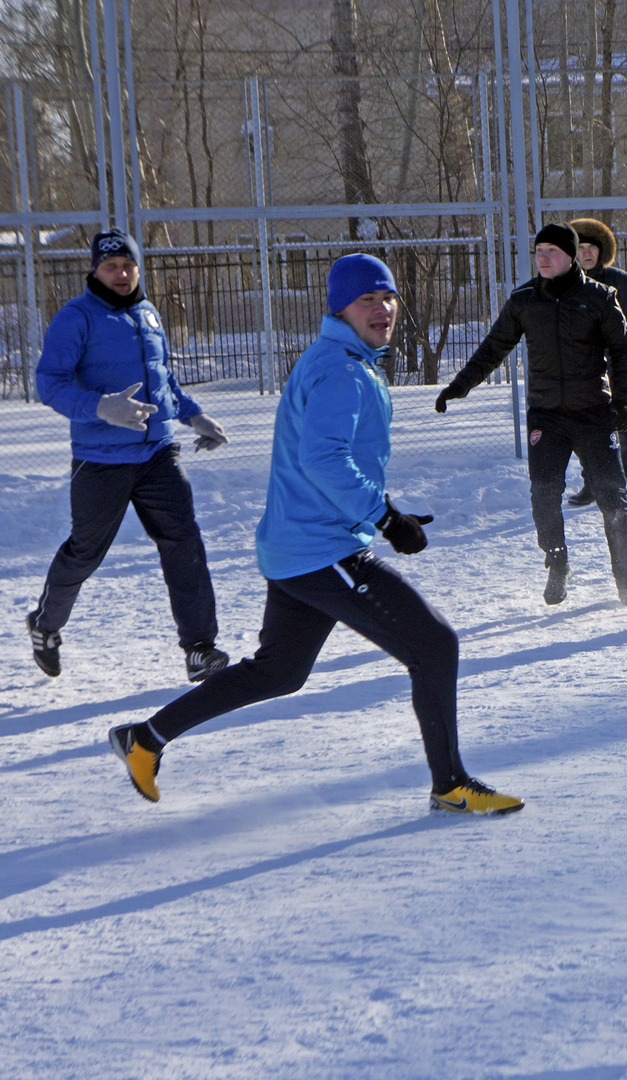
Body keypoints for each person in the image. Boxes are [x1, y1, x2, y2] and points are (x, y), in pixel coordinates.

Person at [107, 254, 524, 815]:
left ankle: (146, 739)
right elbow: (324, 460)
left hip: (299, 544)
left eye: (388, 298)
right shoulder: (341, 370)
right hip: (319, 550)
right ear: (340, 308)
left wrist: (386, 509)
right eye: (367, 300)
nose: (382, 309)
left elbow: (330, 460)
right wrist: (384, 518)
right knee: (434, 645)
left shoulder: (343, 359)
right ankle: (450, 784)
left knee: (279, 672)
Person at [28, 228, 231, 683]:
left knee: (183, 542)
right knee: (85, 553)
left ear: (138, 268)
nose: (120, 274)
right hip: (100, 459)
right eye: (110, 267)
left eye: (127, 265)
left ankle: (199, 647)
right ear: (95, 271)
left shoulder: (148, 313)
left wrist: (194, 416)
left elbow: (164, 380)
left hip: (158, 453)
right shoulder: (76, 317)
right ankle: (45, 625)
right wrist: (101, 407)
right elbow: (50, 383)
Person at [436, 222, 627, 608]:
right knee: (544, 495)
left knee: (612, 498)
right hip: (547, 417)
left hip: (594, 412)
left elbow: (622, 351)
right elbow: (493, 347)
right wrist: (459, 385)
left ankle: (625, 577)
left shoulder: (600, 297)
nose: (543, 257)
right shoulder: (525, 301)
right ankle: (557, 562)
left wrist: (623, 399)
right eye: (538, 250)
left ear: (570, 256)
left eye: (552, 251)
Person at [564, 217, 627, 507]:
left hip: (615, 364)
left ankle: (616, 481)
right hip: (579, 369)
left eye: (592, 248)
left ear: (602, 252)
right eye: (581, 247)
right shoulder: (563, 284)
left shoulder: (620, 281)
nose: (586, 253)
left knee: (616, 423)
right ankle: (592, 483)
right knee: (585, 427)